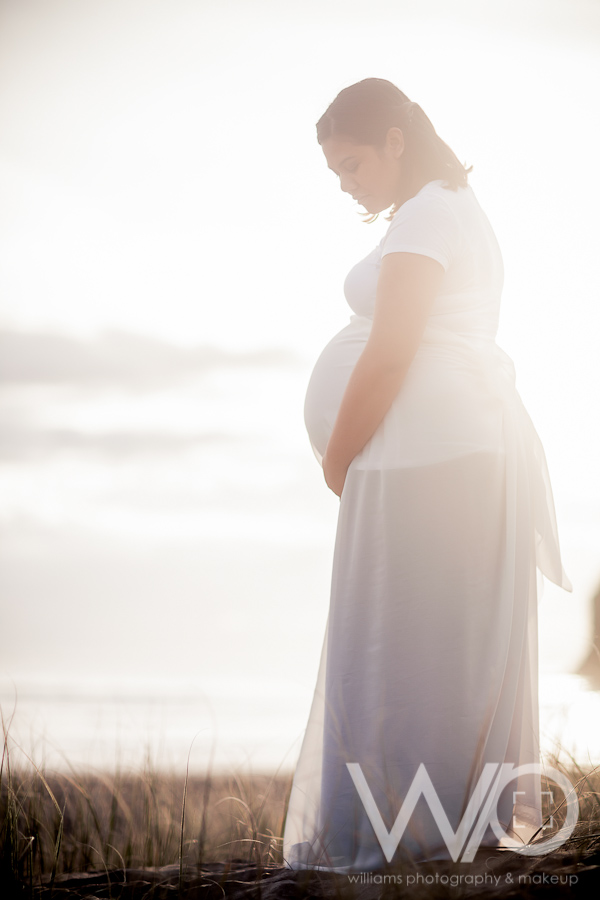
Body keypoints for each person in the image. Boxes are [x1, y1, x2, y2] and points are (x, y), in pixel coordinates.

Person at [281, 78, 573, 872]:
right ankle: (427, 831)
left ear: (395, 141)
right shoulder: (445, 208)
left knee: (400, 647)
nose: (346, 182)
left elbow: (391, 350)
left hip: (429, 456)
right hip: (446, 451)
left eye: (352, 162)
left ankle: (405, 838)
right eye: (335, 171)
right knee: (426, 645)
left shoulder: (430, 215)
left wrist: (337, 457)